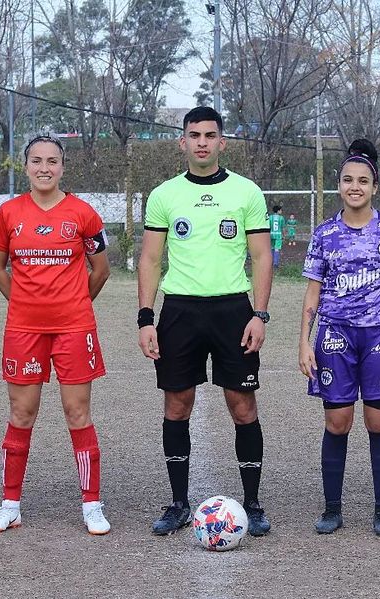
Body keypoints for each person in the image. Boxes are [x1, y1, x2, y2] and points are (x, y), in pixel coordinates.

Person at [138, 106, 273, 537]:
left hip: (233, 310)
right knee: (177, 405)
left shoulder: (246, 192)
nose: (201, 142)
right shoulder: (163, 195)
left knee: (242, 405)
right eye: (193, 135)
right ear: (182, 142)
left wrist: (260, 313)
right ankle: (179, 503)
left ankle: (252, 502)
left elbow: (261, 256)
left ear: (222, 142)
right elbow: (152, 258)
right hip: (179, 310)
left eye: (209, 135)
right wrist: (146, 318)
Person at [0, 133, 112, 535]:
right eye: (36, 161)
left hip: (74, 327)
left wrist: (75, 303)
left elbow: (101, 269)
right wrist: (22, 300)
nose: (44, 168)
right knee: (22, 413)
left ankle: (92, 504)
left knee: (77, 413)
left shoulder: (82, 213)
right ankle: (10, 503)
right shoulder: (8, 213)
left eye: (51, 161)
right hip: (24, 328)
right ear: (26, 166)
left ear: (62, 166)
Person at [299, 139, 380, 536]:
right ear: (339, 185)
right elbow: (313, 293)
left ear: (375, 187)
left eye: (363, 181)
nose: (355, 186)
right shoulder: (323, 234)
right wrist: (304, 341)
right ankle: (332, 508)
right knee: (337, 423)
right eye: (348, 180)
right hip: (334, 336)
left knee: (378, 422)